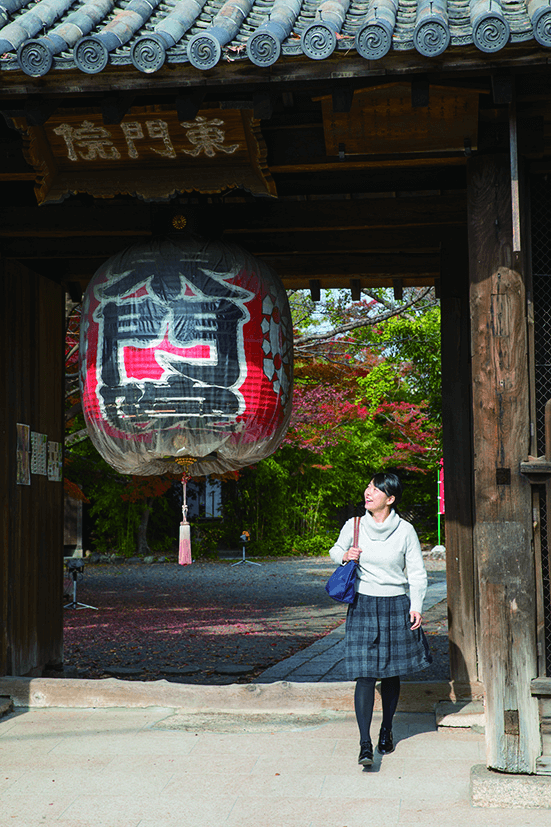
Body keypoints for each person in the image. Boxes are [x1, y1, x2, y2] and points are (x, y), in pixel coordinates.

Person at [329, 472, 432, 767]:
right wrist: (345, 554)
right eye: (368, 487)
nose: (368, 492)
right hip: (362, 603)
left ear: (390, 498)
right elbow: (335, 550)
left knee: (390, 671)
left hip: (396, 604)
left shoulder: (405, 531)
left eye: (375, 489)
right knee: (364, 673)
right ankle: (365, 743)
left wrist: (416, 605)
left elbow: (417, 572)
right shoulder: (355, 524)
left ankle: (387, 728)